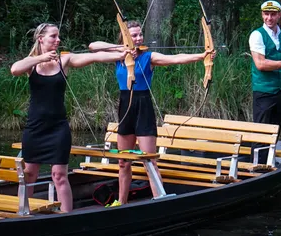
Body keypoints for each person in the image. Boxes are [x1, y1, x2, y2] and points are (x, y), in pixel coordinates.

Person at [89, 21, 214, 206]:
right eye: (134, 36)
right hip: (125, 106)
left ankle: (160, 200)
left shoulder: (149, 57)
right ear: (125, 38)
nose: (139, 38)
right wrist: (122, 48)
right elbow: (93, 46)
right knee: (124, 161)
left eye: (140, 35)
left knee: (149, 161)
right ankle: (121, 203)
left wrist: (202, 55)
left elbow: (175, 58)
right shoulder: (118, 56)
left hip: (143, 106)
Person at [10, 23, 127, 213]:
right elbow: (15, 69)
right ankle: (23, 213)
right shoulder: (32, 63)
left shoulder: (64, 60)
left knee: (59, 175)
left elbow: (94, 57)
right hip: (35, 127)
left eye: (58, 37)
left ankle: (66, 215)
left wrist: (121, 54)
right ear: (41, 39)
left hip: (58, 128)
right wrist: (40, 57)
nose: (58, 40)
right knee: (29, 173)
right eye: (53, 37)